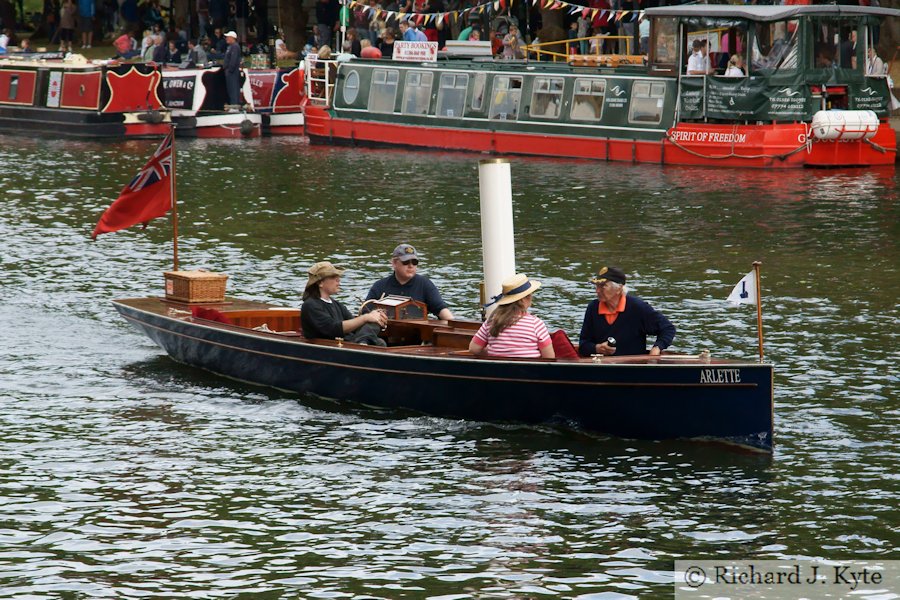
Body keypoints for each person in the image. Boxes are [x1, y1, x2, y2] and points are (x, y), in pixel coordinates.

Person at [578, 266, 675, 357]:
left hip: (633, 369)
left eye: (603, 286)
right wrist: (597, 348)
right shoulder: (593, 308)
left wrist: (656, 348)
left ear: (619, 288)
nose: (597, 291)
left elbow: (668, 329)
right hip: (602, 369)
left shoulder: (637, 308)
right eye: (596, 286)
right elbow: (583, 345)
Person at [468, 273, 555, 359]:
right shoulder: (536, 324)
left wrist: (489, 353)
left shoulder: (491, 321)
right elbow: (549, 357)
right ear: (526, 298)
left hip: (496, 371)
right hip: (529, 372)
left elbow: (473, 349)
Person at [301, 261, 388, 345]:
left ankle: (363, 342)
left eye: (338, 277)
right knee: (378, 342)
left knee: (374, 328)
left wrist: (376, 317)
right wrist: (365, 318)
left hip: (348, 343)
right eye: (333, 277)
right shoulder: (310, 305)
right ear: (320, 283)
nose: (338, 280)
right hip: (329, 346)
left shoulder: (338, 305)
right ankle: (362, 344)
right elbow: (333, 329)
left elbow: (355, 326)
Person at [364, 244, 454, 321]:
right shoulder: (380, 286)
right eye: (406, 262)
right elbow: (365, 313)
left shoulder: (425, 284)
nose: (411, 266)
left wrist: (454, 324)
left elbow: (441, 309)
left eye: (414, 262)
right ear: (394, 263)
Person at [223, 30, 242, 107]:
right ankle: (233, 104)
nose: (226, 38)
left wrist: (229, 70)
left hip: (232, 72)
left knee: (233, 88)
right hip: (229, 71)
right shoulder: (230, 47)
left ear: (232, 38)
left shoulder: (235, 46)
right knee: (231, 88)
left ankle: (235, 105)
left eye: (228, 37)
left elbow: (233, 59)